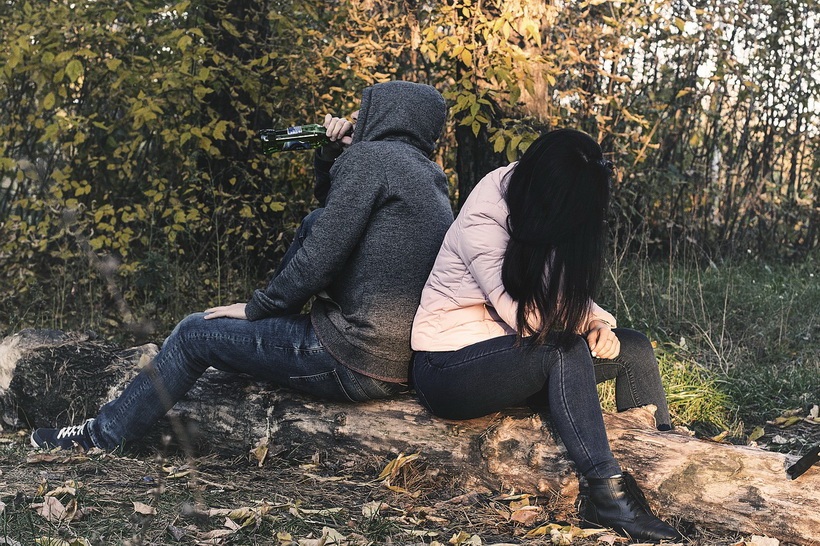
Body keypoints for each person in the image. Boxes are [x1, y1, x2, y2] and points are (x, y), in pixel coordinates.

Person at [31, 81, 454, 451]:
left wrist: (257, 308)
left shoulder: (372, 160)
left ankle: (99, 437)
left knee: (194, 332)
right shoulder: (428, 175)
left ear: (388, 115)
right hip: (394, 361)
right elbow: (334, 216)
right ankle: (273, 323)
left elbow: (319, 260)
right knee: (313, 222)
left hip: (352, 357)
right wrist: (329, 154)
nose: (354, 119)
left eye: (365, 111)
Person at [410, 129, 683, 543]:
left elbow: (562, 299)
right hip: (449, 367)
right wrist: (579, 321)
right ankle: (605, 496)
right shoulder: (485, 216)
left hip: (514, 358)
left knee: (634, 348)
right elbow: (527, 318)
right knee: (563, 351)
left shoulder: (544, 204)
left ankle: (666, 466)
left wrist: (598, 324)